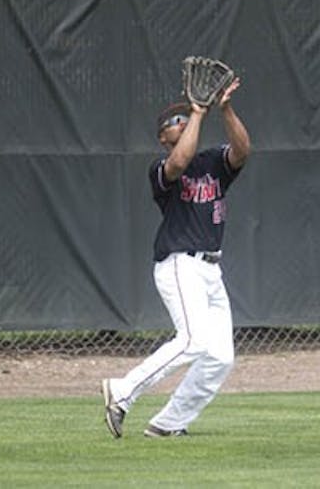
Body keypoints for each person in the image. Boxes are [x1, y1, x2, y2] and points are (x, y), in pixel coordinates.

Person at [101, 77, 250, 438]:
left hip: (212, 269)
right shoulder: (159, 168)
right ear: (162, 137)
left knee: (219, 357)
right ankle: (121, 392)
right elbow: (180, 160)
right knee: (193, 341)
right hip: (180, 264)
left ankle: (169, 423)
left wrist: (225, 108)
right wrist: (198, 112)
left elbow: (242, 150)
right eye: (176, 122)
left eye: (186, 118)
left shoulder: (214, 162)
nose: (182, 122)